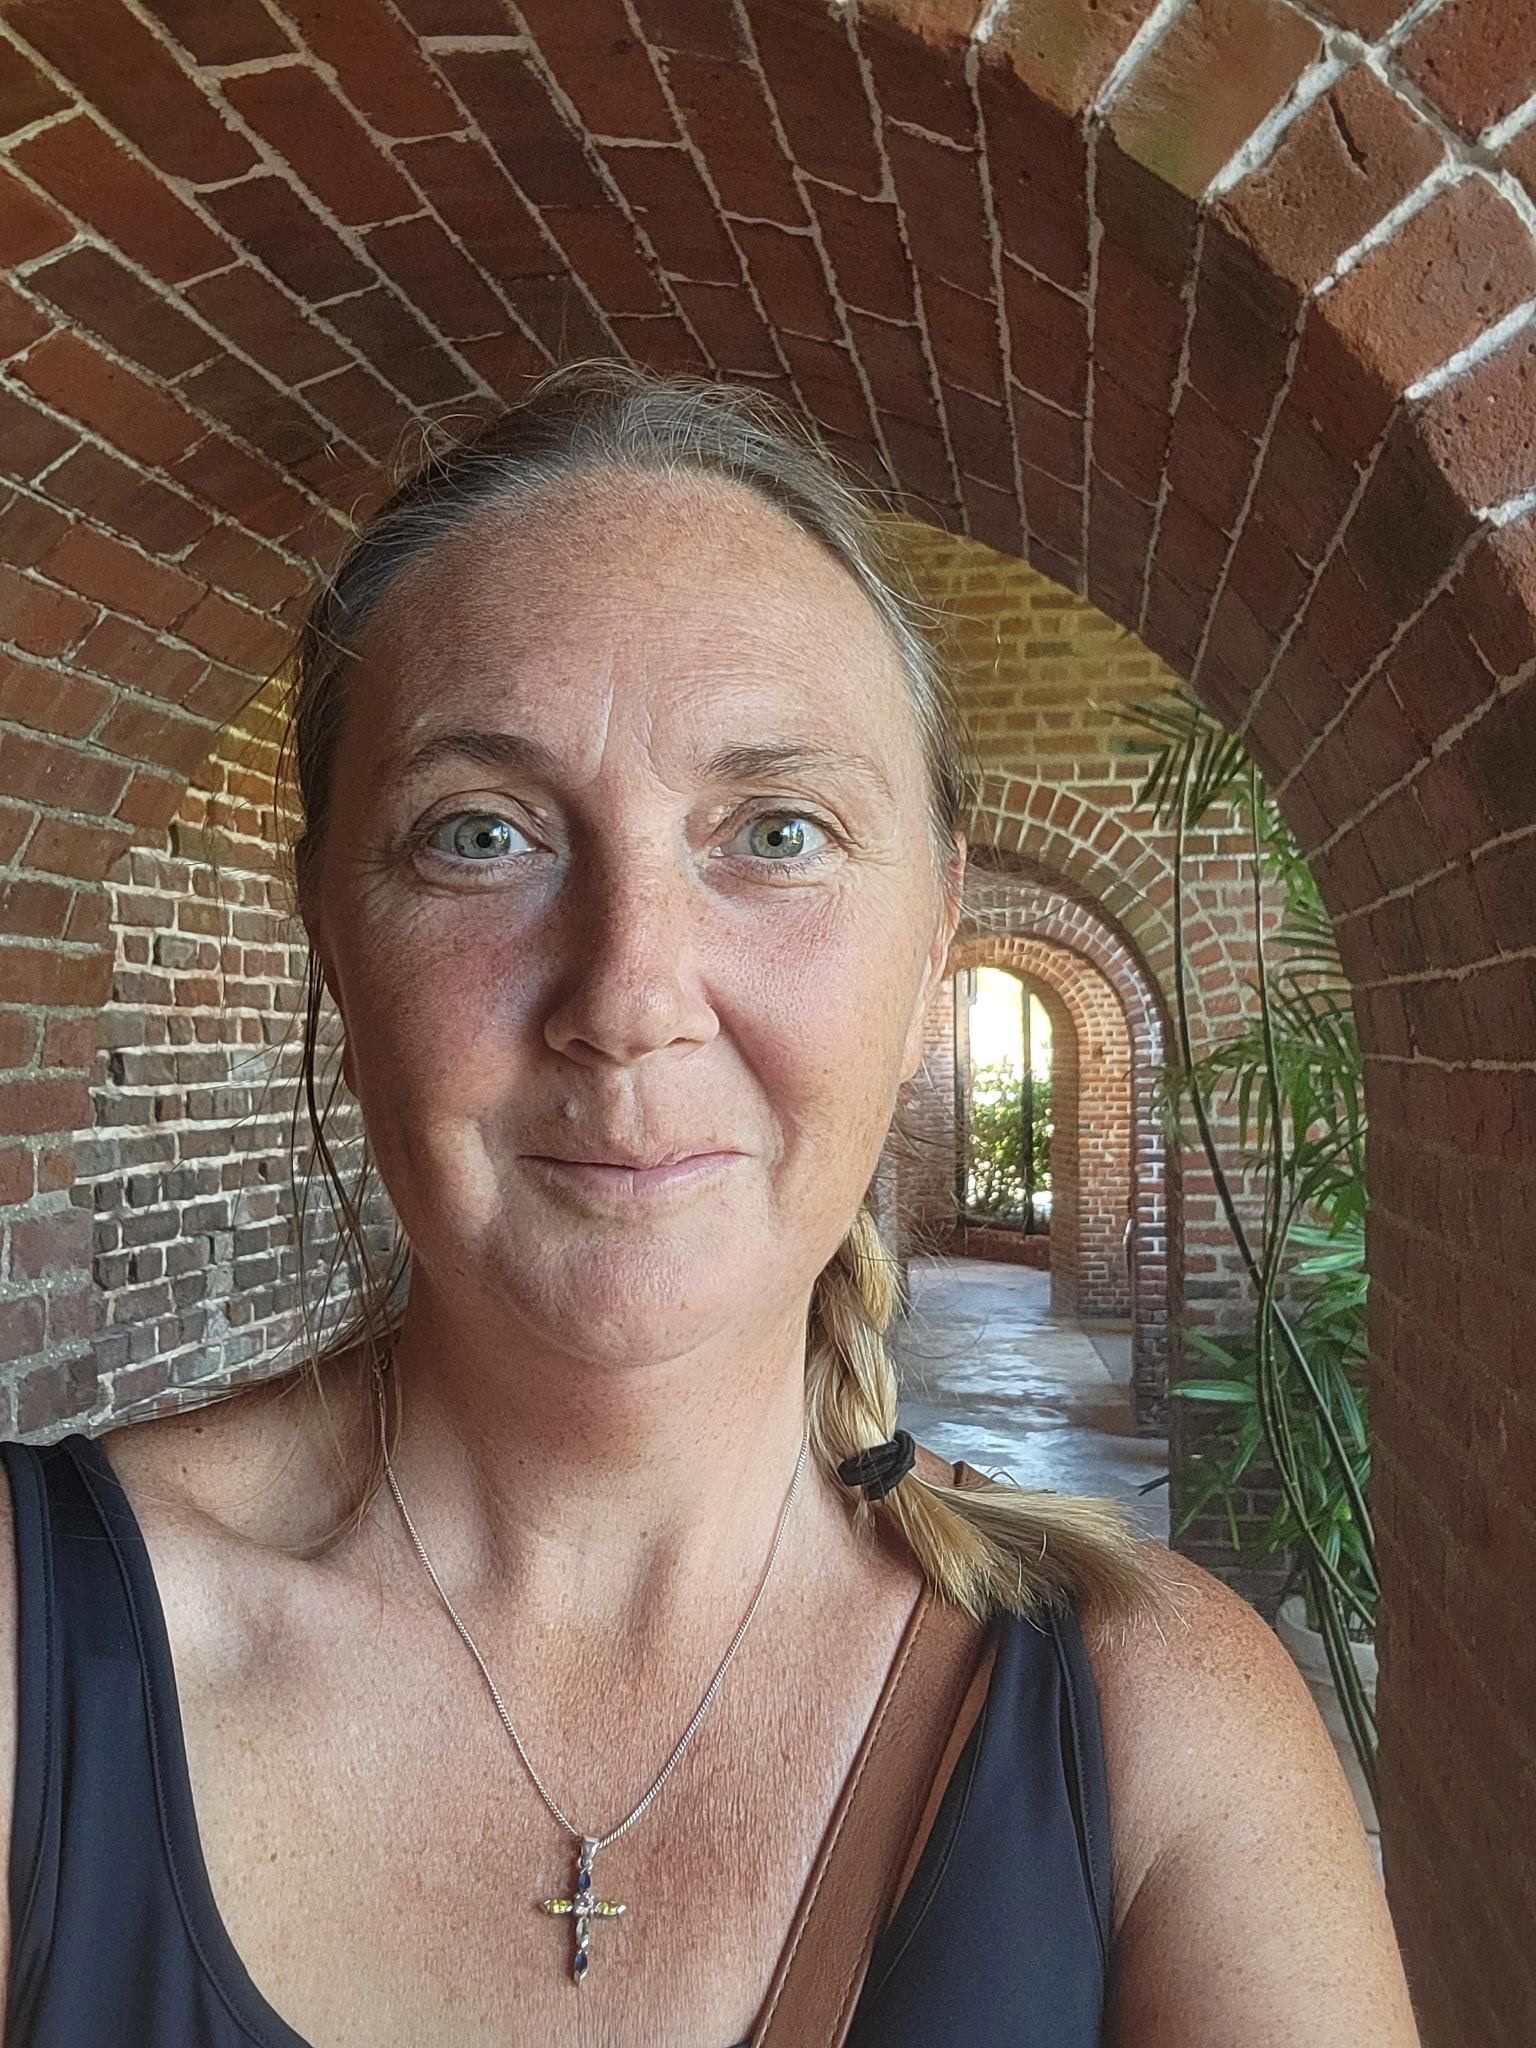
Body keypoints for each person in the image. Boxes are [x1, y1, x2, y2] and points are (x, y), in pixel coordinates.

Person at [0, 362, 1421, 2047]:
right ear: (332, 933)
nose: (630, 995)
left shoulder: (1169, 1744)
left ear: (932, 953)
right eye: (480, 835)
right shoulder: (33, 1658)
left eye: (778, 833)